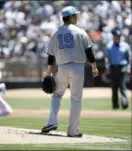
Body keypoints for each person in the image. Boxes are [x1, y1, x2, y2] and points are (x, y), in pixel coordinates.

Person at [41, 6, 99, 137]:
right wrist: (94, 66)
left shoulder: (55, 32)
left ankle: (52, 121)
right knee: (76, 99)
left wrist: (48, 72)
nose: (77, 18)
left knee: (56, 95)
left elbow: (50, 56)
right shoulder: (80, 32)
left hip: (62, 68)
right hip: (78, 68)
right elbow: (89, 52)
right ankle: (73, 131)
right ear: (72, 17)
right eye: (76, 16)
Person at [104, 27, 131, 110]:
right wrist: (107, 66)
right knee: (114, 86)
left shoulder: (125, 46)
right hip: (113, 67)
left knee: (122, 84)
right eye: (116, 36)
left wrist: (129, 66)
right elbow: (106, 57)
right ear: (113, 37)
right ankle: (115, 105)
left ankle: (124, 103)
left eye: (119, 36)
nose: (118, 37)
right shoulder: (109, 46)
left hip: (122, 66)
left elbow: (128, 57)